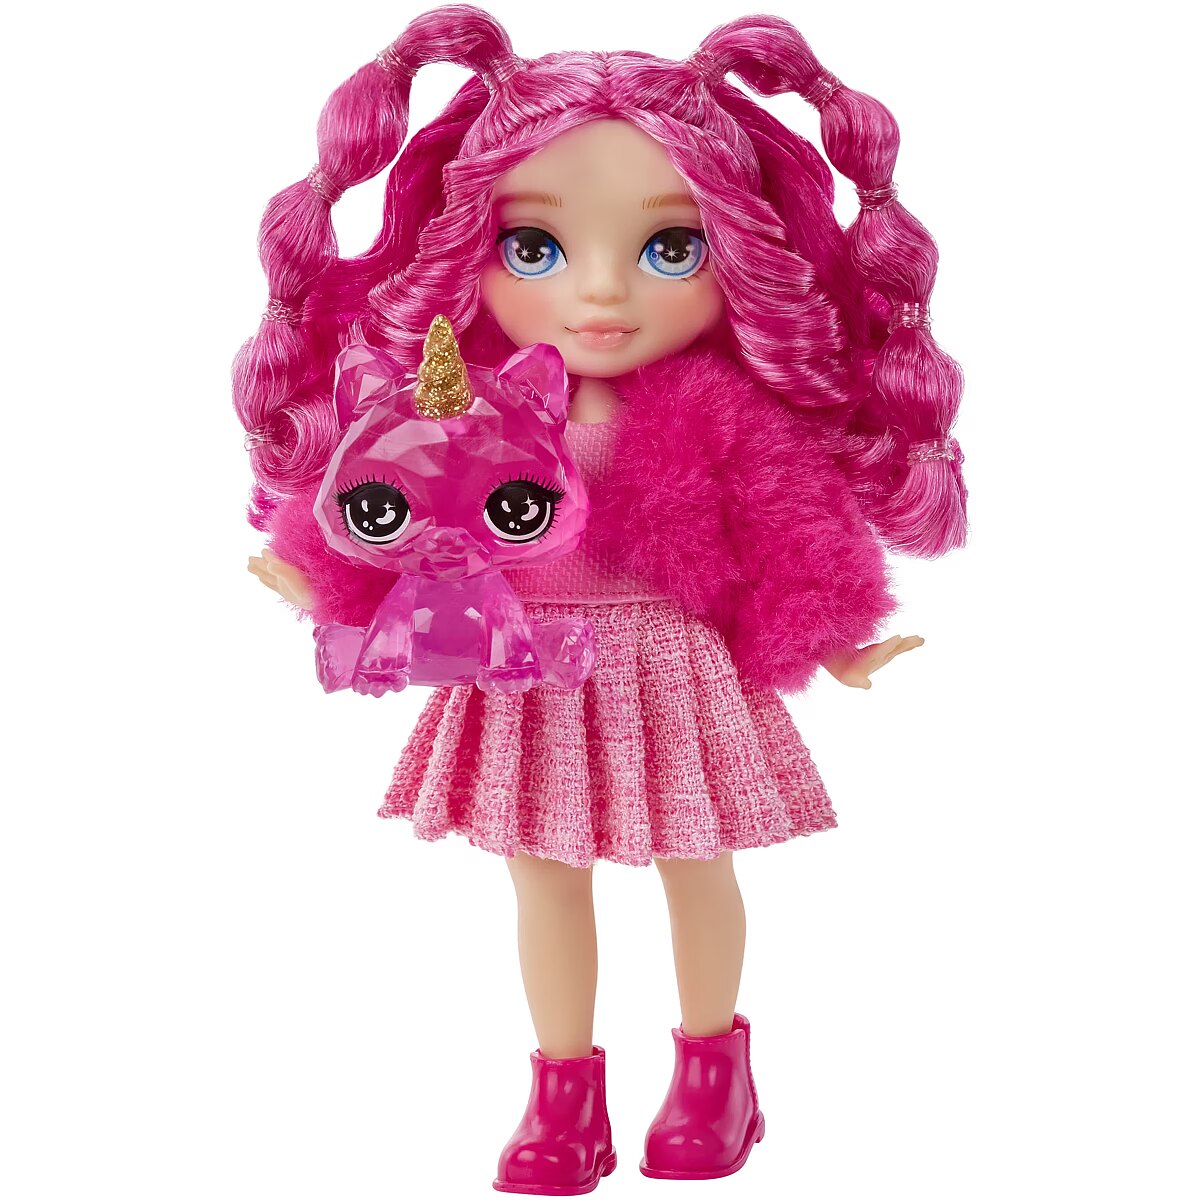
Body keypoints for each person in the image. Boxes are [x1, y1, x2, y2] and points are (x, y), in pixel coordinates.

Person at [235, 6, 965, 1194]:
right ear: (463, 250)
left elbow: (791, 524)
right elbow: (399, 503)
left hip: (677, 667)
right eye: (535, 247)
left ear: (745, 254)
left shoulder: (719, 411)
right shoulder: (463, 407)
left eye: (673, 247)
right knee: (544, 876)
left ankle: (714, 1077)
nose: (603, 292)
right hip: (526, 668)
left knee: (696, 861)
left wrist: (837, 638)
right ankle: (562, 1093)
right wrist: (326, 573)